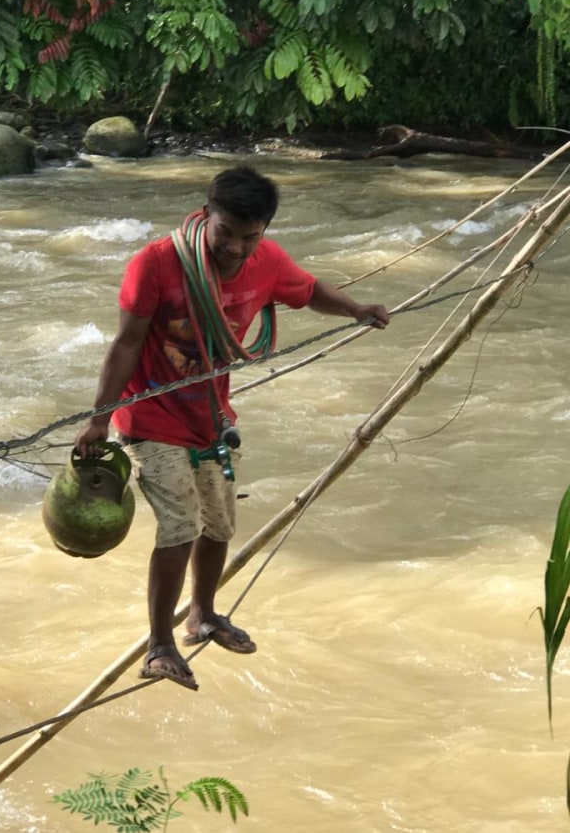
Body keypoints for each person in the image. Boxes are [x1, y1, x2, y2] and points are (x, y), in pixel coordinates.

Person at [75, 165, 388, 691]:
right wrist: (98, 419)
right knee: (180, 526)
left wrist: (356, 309)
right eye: (226, 234)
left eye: (250, 237)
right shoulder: (156, 263)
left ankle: (202, 615)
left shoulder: (265, 262)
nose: (236, 249)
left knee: (219, 524)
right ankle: (159, 644)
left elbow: (307, 290)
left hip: (212, 418)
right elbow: (126, 343)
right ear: (205, 216)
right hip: (150, 417)